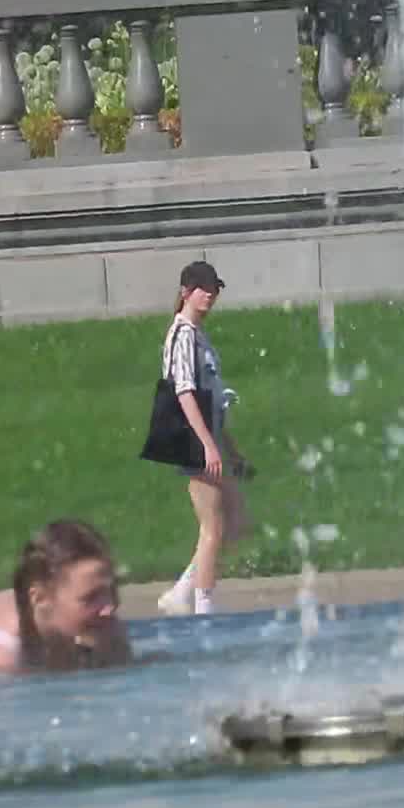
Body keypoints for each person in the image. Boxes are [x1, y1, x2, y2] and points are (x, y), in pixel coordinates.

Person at [154, 261, 253, 617]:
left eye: (214, 288)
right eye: (202, 288)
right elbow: (183, 393)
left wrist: (230, 448)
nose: (209, 294)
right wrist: (208, 446)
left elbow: (211, 399)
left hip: (207, 434)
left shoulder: (198, 335)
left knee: (235, 522)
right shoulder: (182, 335)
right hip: (191, 437)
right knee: (213, 528)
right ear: (186, 292)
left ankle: (182, 592)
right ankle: (203, 610)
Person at [0, 519, 131, 678]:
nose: (109, 607)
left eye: (111, 590)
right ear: (39, 598)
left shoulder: (97, 624)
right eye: (90, 597)